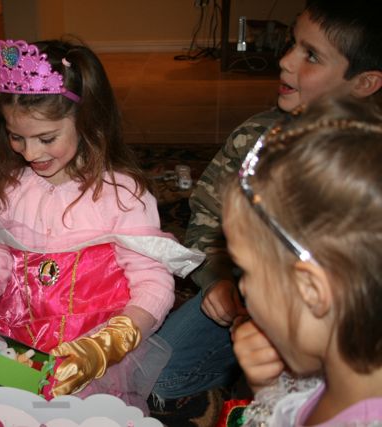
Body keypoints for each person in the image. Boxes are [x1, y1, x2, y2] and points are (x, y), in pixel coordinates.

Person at [0, 38, 205, 412]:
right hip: (16, 344)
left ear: (87, 121)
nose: (30, 153)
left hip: (88, 350)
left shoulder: (122, 195)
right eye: (16, 137)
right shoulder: (13, 188)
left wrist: (107, 345)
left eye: (46, 138)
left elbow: (154, 284)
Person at [150, 0, 382, 410]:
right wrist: (218, 282)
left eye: (311, 55)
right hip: (253, 296)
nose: (286, 61)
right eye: (292, 44)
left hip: (351, 322)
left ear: (364, 82)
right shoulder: (255, 136)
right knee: (158, 374)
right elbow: (206, 218)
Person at [222, 96, 382, 426]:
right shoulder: (334, 373)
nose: (241, 289)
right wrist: (269, 389)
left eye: (244, 271)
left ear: (310, 288)